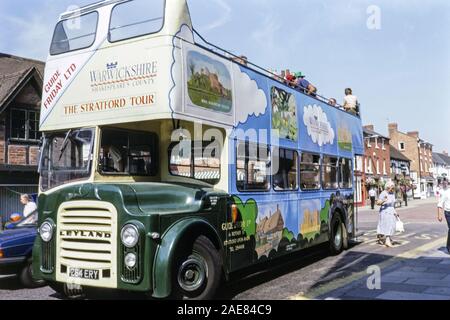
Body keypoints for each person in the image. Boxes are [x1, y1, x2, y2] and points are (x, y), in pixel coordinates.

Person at [376, 182, 398, 248]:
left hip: (391, 211)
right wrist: (383, 200)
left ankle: (383, 238)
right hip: (385, 212)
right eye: (391, 187)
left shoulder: (392, 194)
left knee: (391, 225)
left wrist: (395, 212)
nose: (392, 189)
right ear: (387, 187)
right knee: (387, 225)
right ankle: (387, 240)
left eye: (393, 187)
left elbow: (392, 205)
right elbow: (377, 203)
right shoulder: (383, 193)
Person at [437, 178, 450, 254]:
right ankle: (449, 247)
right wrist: (439, 215)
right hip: (448, 213)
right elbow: (440, 204)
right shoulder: (446, 193)